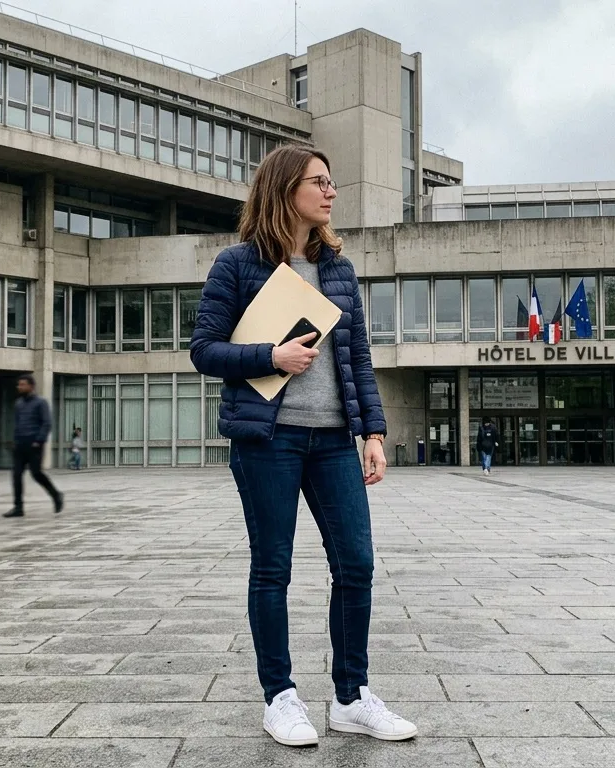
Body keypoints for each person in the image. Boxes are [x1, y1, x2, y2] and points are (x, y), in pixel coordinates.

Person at [190, 144, 417, 748]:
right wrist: (271, 356)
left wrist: (373, 433)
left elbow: (358, 357)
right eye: (319, 181)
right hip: (269, 440)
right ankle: (280, 698)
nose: (331, 191)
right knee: (273, 567)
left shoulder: (338, 269)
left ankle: (351, 697)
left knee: (357, 564)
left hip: (334, 440)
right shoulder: (237, 265)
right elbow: (205, 350)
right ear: (285, 189)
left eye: (331, 181)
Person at [4, 374, 63, 518]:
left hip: (35, 444)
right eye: (19, 385)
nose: (19, 387)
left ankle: (56, 495)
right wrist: (15, 441)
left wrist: (39, 441)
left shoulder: (41, 402)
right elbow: (17, 424)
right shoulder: (18, 404)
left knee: (36, 474)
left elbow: (47, 423)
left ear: (31, 386)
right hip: (20, 445)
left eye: (22, 384)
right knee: (16, 475)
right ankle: (18, 507)